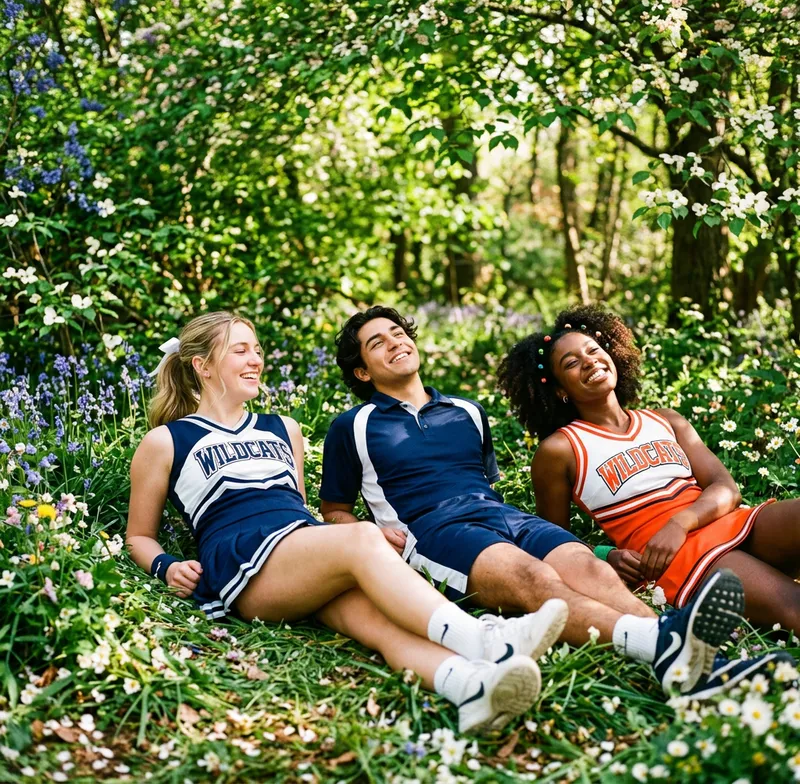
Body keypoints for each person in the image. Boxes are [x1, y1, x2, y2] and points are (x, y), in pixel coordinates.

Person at [125, 312, 578, 736]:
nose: (256, 359)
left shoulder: (285, 428)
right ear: (203, 366)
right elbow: (138, 536)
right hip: (243, 562)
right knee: (362, 534)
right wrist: (165, 565)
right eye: (241, 350)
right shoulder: (166, 440)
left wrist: (337, 545)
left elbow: (298, 510)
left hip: (298, 553)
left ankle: (469, 687)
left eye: (258, 349)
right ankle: (483, 639)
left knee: (380, 622)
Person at [320, 306, 788, 701]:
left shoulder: (467, 412)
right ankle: (669, 648)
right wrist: (375, 533)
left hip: (502, 516)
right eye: (377, 343)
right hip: (436, 530)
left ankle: (692, 661)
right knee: (534, 578)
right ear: (362, 371)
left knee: (590, 569)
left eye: (398, 333)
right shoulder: (353, 426)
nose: (394, 343)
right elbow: (335, 509)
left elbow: (485, 483)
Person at [498, 304, 800, 634]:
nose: (589, 361)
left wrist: (680, 522)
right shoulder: (560, 449)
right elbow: (552, 540)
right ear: (559, 389)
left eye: (594, 350)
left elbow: (725, 488)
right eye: (571, 363)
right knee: (792, 604)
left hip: (726, 521)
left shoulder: (666, 420)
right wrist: (603, 554)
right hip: (673, 559)